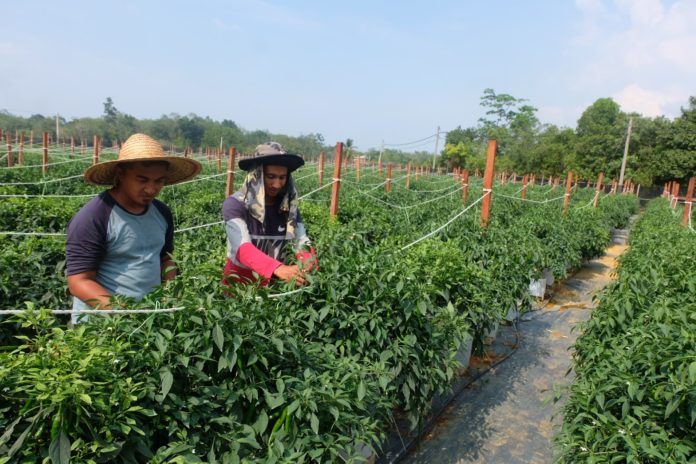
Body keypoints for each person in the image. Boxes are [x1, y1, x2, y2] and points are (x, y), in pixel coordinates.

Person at [66, 133, 201, 323]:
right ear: (121, 174)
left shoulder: (161, 212)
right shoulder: (95, 217)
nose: (151, 189)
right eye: (142, 180)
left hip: (149, 318)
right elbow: (79, 281)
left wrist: (170, 296)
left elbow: (166, 258)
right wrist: (122, 314)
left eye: (159, 181)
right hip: (102, 328)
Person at [223, 142, 317, 288]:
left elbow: (302, 241)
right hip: (241, 288)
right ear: (257, 175)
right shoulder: (235, 204)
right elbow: (242, 248)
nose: (277, 184)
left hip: (277, 286)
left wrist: (308, 266)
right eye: (271, 177)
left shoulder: (288, 207)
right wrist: (278, 269)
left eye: (282, 177)